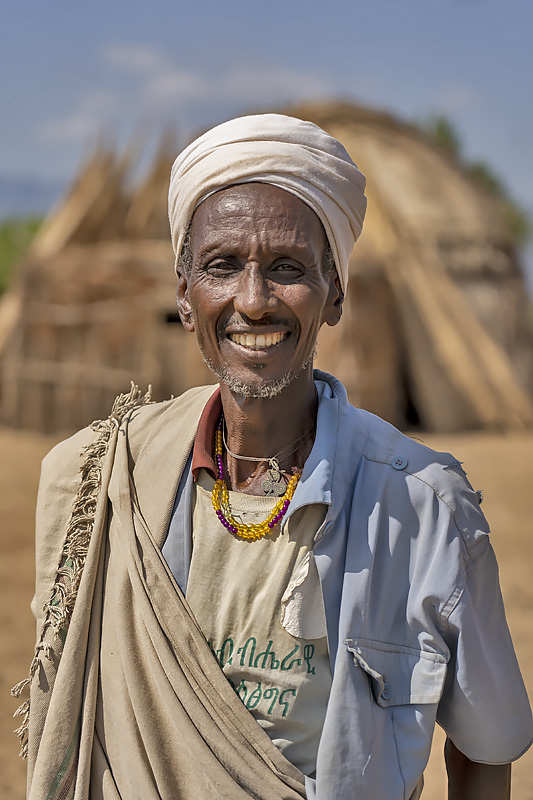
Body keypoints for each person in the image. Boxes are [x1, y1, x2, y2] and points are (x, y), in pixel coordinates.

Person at [14, 114, 532, 800]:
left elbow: (483, 750)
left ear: (335, 293)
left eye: (287, 269)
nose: (253, 301)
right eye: (223, 266)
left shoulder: (423, 507)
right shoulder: (102, 477)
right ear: (183, 295)